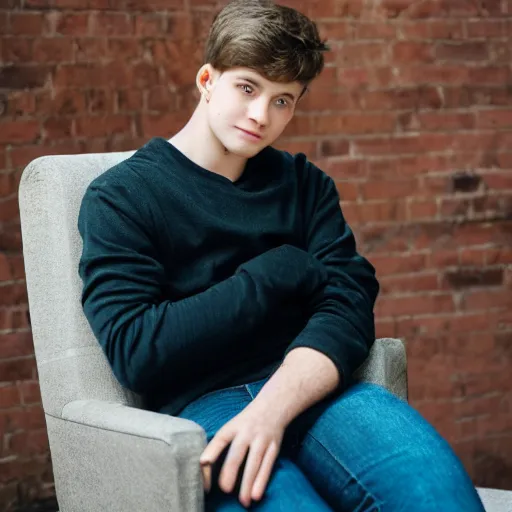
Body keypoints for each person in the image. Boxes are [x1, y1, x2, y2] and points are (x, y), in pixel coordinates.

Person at [77, 1, 485, 510]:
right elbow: (138, 351)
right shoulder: (122, 197)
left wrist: (272, 409)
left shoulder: (304, 184)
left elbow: (349, 306)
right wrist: (275, 274)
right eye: (247, 88)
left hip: (317, 390)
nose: (261, 116)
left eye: (282, 101)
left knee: (442, 499)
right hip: (205, 407)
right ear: (207, 79)